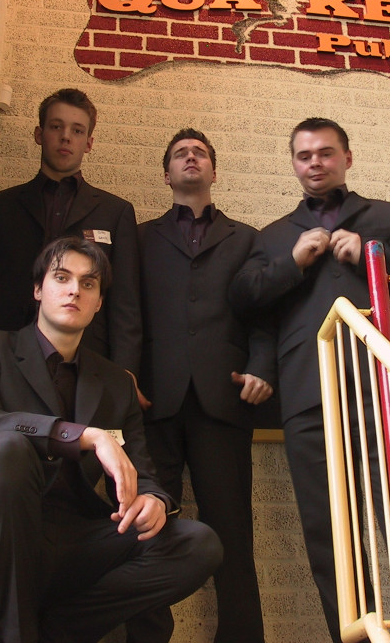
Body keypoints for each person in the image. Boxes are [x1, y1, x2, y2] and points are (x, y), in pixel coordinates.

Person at [0, 236, 222, 643]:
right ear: (38, 289)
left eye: (88, 283)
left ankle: (56, 632)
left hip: (72, 543)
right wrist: (82, 436)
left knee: (198, 543)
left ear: (98, 303)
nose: (75, 290)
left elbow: (142, 472)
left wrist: (153, 501)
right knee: (6, 448)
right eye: (62, 278)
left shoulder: (116, 384)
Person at [229, 118, 390, 643]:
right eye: (304, 155)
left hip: (381, 385)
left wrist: (373, 253)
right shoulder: (273, 236)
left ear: (347, 159)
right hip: (306, 393)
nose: (315, 162)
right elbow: (245, 300)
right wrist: (292, 263)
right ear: (294, 163)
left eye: (325, 153)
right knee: (326, 530)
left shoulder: (387, 215)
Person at [137, 129, 275, 643]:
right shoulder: (139, 237)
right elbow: (126, 314)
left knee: (232, 532)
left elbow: (264, 315)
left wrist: (263, 366)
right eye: (180, 153)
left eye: (200, 153)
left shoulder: (248, 238)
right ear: (166, 174)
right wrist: (125, 376)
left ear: (214, 171)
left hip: (225, 398)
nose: (190, 157)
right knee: (146, 531)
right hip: (152, 400)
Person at [0, 87, 142, 378]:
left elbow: (125, 303)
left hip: (88, 361)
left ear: (89, 143)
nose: (66, 137)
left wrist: (125, 372)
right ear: (39, 134)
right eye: (56, 127)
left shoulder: (115, 212)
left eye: (77, 130)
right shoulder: (0, 207)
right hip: (6, 356)